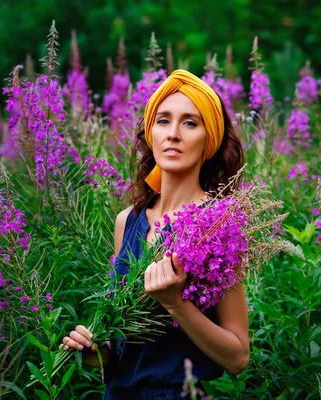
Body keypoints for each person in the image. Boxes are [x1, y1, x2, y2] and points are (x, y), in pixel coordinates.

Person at [62, 69, 249, 399]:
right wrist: (92, 349)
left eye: (190, 123)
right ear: (150, 132)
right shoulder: (127, 221)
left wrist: (176, 305)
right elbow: (117, 347)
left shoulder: (218, 226)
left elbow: (237, 357)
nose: (173, 134)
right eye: (163, 121)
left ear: (210, 139)